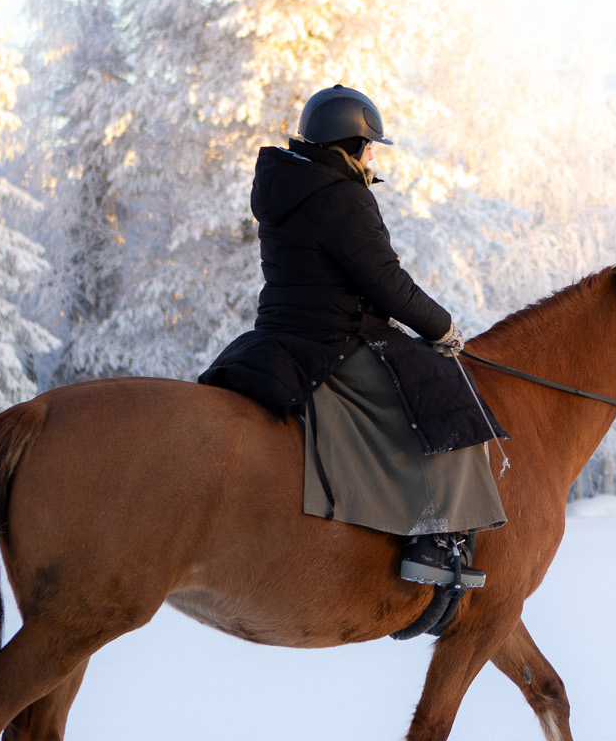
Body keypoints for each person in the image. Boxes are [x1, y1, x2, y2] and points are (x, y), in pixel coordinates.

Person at [198, 84, 504, 591]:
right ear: (350, 145)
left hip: (278, 332)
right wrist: (441, 327)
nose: (370, 157)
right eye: (368, 147)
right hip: (333, 339)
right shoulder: (341, 196)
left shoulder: (290, 186)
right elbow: (384, 281)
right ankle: (436, 540)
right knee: (450, 397)